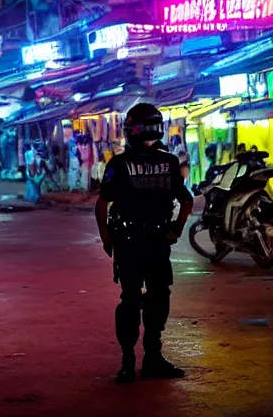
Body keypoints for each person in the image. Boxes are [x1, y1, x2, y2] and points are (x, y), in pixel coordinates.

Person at [95, 103, 193, 384]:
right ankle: (152, 358)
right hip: (158, 242)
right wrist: (176, 230)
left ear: (132, 131)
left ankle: (129, 363)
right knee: (158, 298)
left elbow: (102, 203)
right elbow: (186, 201)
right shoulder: (170, 162)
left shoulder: (119, 164)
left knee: (131, 300)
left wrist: (106, 238)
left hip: (129, 243)